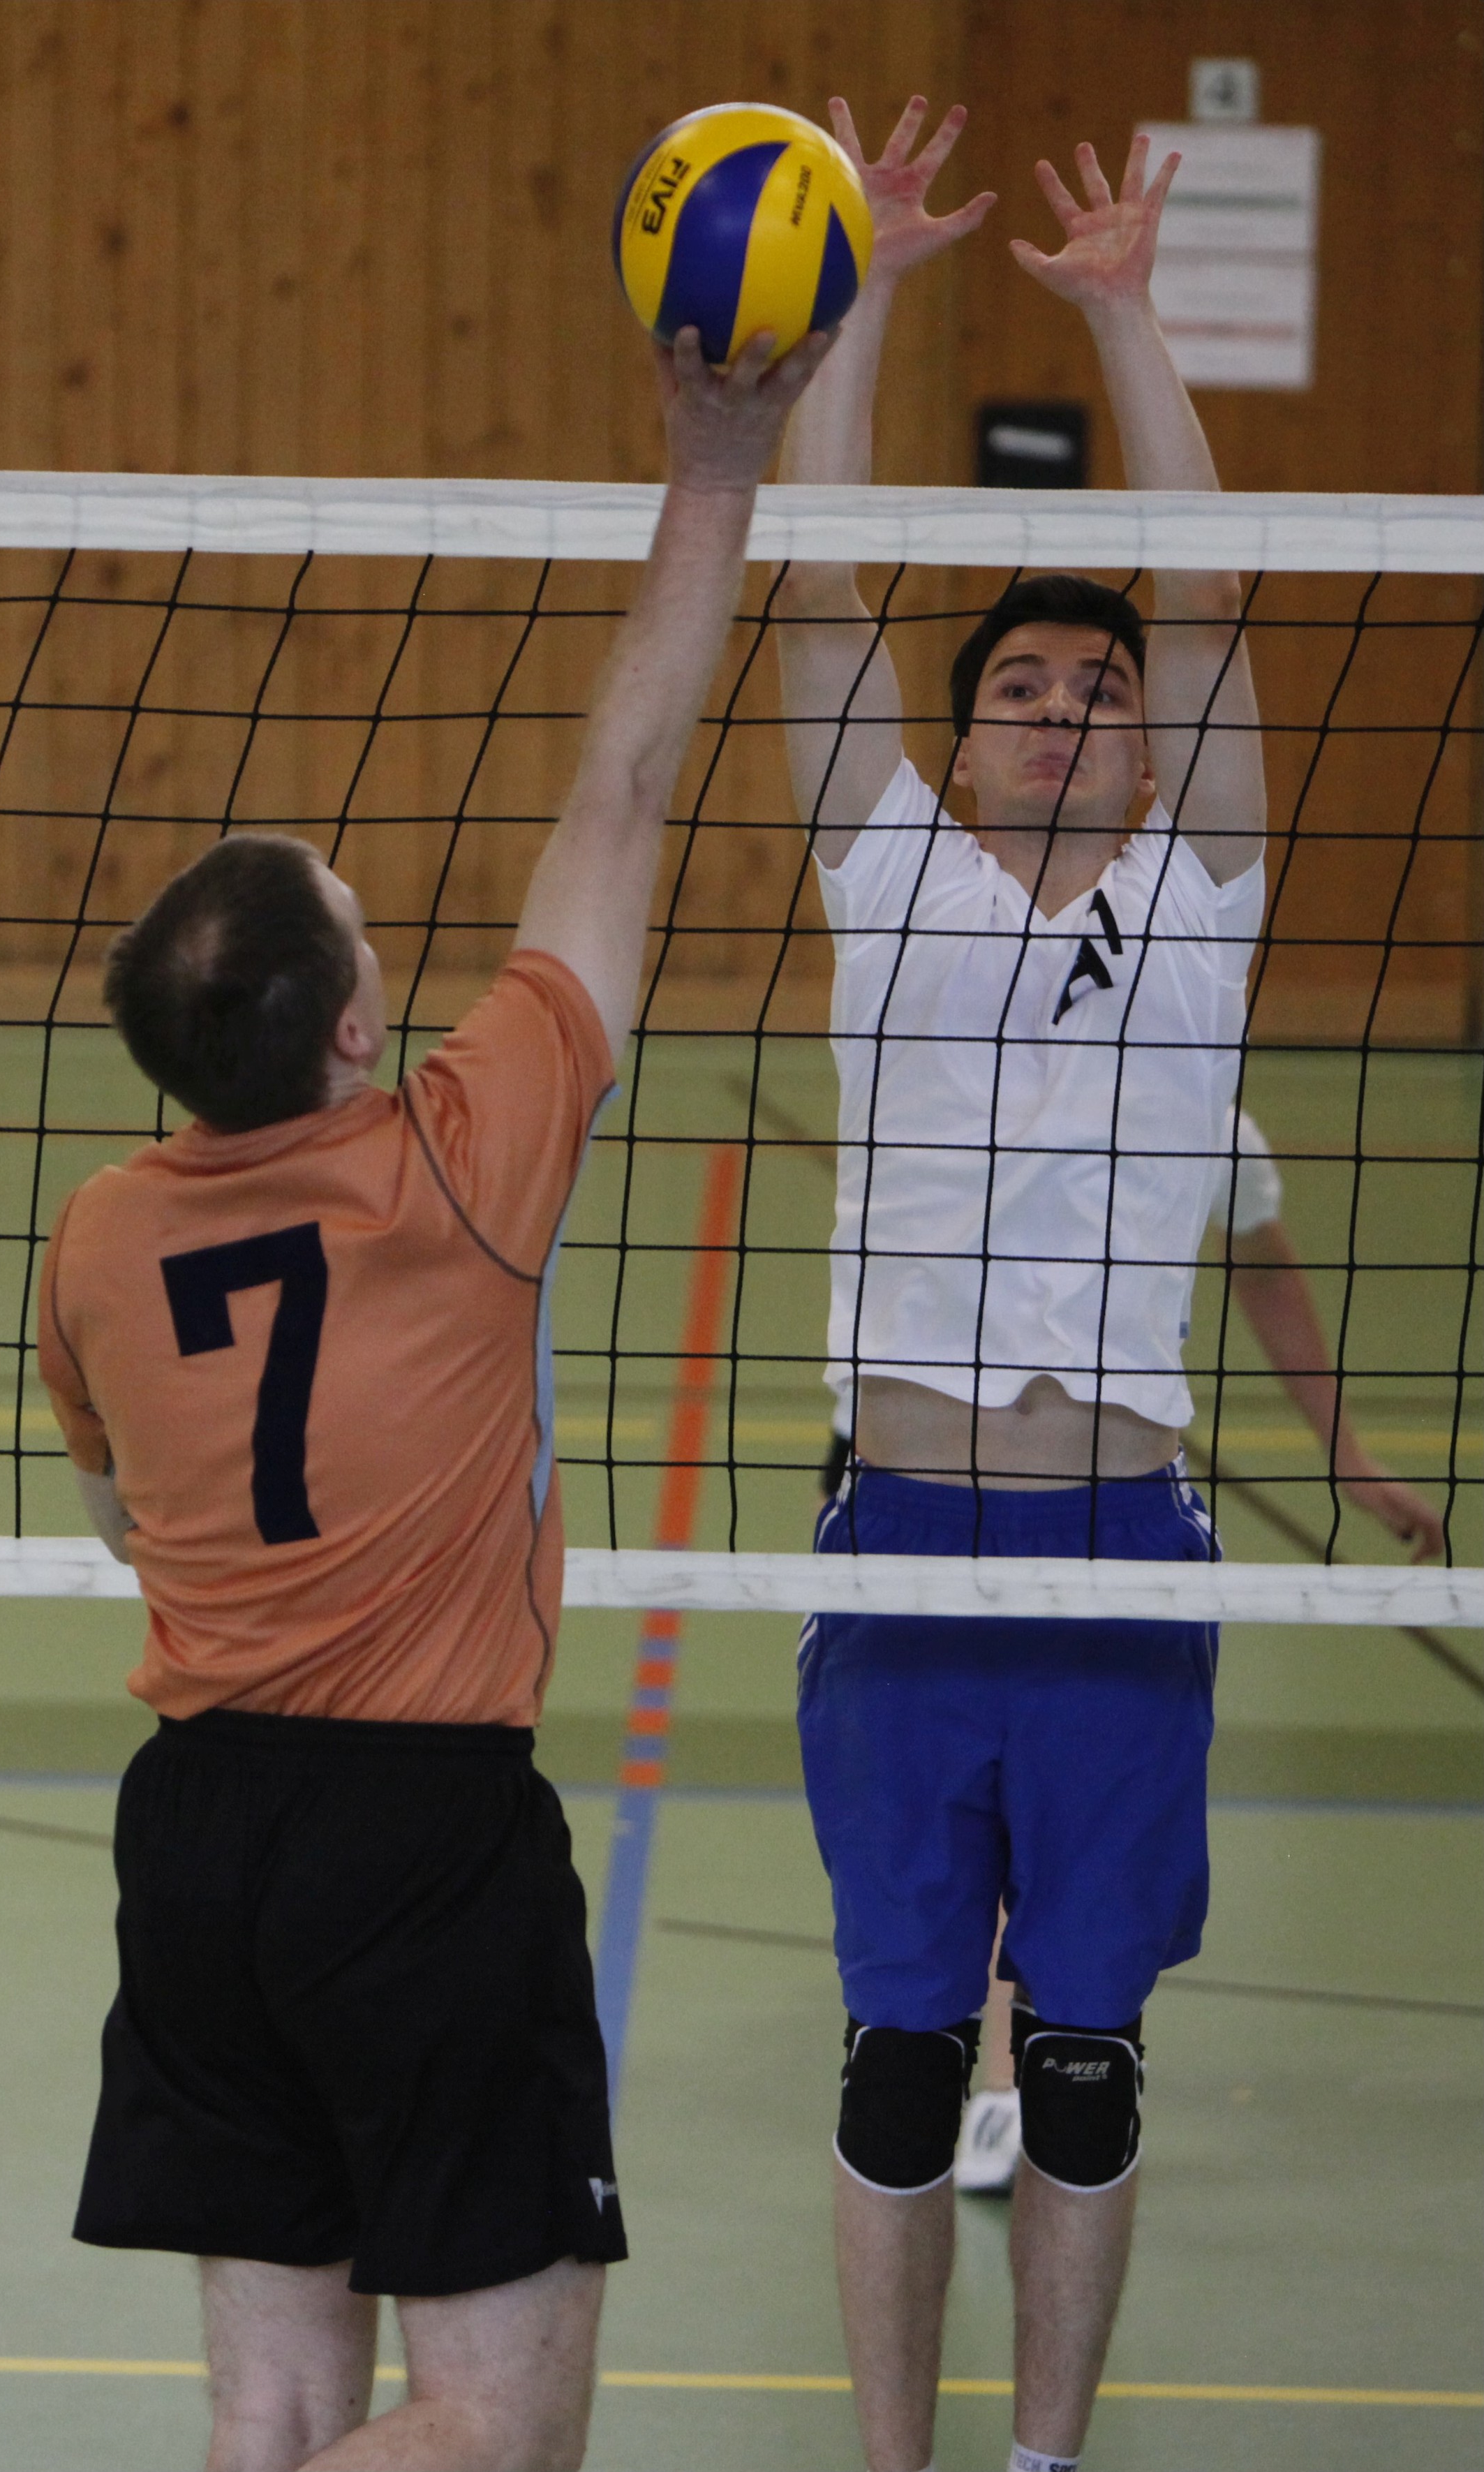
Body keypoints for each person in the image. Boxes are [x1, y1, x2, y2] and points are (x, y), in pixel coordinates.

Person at [37, 323, 826, 2472]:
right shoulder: (464, 1164)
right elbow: (624, 791)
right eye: (367, 930)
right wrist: (717, 460)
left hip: (198, 1832)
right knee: (491, 2422)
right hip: (417, 1842)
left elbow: (123, 1518)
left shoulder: (98, 1236)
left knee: (274, 2409)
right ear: (356, 1037)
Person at [776, 99, 1268, 2472]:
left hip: (1116, 1563)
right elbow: (819, 596)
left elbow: (1222, 605)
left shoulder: (1199, 910)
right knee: (899, 2062)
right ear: (960, 748)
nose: (1067, 707)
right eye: (1024, 689)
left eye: (1102, 690)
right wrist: (866, 293)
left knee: (1078, 2064)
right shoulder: (894, 881)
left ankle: (1044, 2459)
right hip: (904, 1550)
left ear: (1150, 749)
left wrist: (1122, 317)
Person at [948, 1103, 1448, 2195]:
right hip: (921, 1479)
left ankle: (1026, 2073)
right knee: (967, 1805)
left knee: (1067, 1791)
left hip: (1104, 1496)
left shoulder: (1201, 1108)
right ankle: (985, 2074)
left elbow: (1263, 1261)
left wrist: (1348, 1455)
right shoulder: (967, 1070)